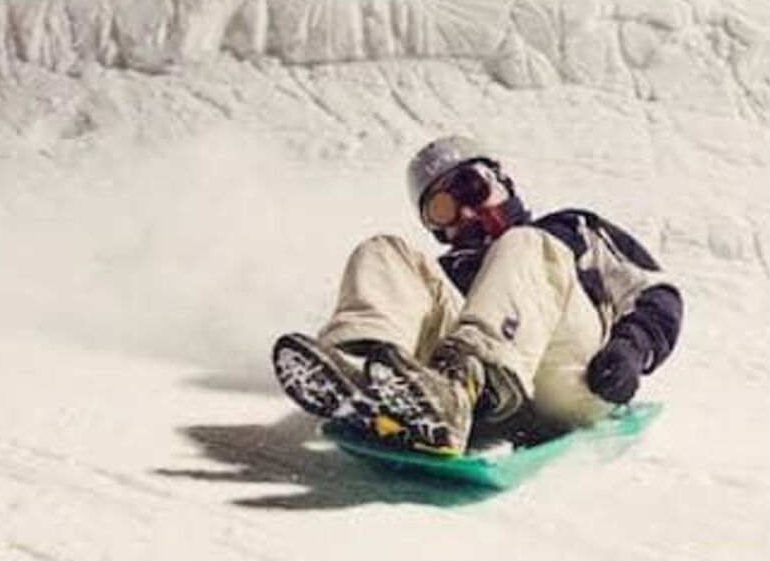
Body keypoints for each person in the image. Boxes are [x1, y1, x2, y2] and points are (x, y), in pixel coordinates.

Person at [272, 135, 683, 455]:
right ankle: (364, 374)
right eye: (445, 210)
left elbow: (656, 291)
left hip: (572, 381)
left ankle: (460, 386)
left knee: (522, 243)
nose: (466, 213)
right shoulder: (444, 275)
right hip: (478, 404)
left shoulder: (567, 231)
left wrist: (632, 349)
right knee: (385, 251)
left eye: (471, 189)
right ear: (437, 230)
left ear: (502, 182)